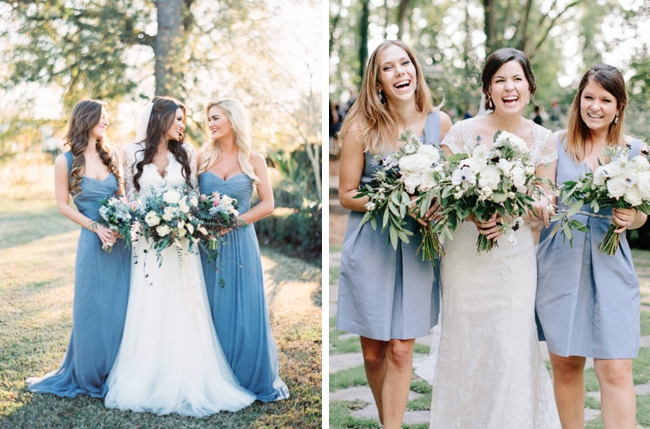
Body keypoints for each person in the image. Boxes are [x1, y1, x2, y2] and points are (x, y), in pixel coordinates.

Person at [428, 48, 561, 428]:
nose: (509, 87)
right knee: (468, 345)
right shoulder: (462, 133)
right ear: (488, 87)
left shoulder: (544, 139)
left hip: (513, 260)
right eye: (500, 80)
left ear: (529, 87)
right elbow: (443, 189)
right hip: (465, 256)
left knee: (508, 345)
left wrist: (509, 214)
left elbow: (543, 194)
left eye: (517, 79)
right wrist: (474, 213)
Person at [104, 96, 255, 416]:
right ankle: (148, 374)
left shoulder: (186, 153)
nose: (183, 126)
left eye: (183, 120)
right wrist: (146, 215)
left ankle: (188, 373)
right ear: (160, 120)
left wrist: (179, 217)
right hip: (148, 242)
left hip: (182, 242)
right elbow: (129, 198)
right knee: (149, 304)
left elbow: (192, 196)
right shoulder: (130, 153)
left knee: (185, 305)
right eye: (177, 120)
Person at [337, 40, 452, 429]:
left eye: (405, 63)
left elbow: (449, 190)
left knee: (401, 350)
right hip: (372, 243)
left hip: (418, 246)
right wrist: (394, 200)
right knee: (374, 353)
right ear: (378, 81)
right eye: (389, 68)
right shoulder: (360, 128)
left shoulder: (441, 124)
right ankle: (389, 418)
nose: (400, 72)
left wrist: (436, 206)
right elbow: (347, 194)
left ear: (416, 71)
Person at [536, 64, 647, 429]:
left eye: (605, 99)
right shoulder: (555, 143)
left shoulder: (635, 151)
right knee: (566, 364)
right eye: (588, 97)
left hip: (611, 262)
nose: (595, 106)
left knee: (615, 367)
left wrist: (630, 218)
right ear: (578, 100)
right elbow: (540, 196)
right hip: (560, 261)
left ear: (619, 106)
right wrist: (541, 204)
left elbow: (643, 215)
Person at [26, 100, 131, 398]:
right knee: (91, 307)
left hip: (120, 240)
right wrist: (95, 227)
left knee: (121, 305)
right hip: (92, 240)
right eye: (102, 117)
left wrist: (122, 219)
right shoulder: (66, 161)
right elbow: (62, 205)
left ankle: (117, 369)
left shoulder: (112, 156)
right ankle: (89, 371)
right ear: (86, 119)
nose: (107, 122)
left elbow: (121, 196)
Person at [196, 98, 289, 402]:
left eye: (216, 118)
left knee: (243, 306)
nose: (210, 124)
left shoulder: (254, 159)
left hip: (240, 241)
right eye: (208, 119)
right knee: (209, 304)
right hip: (206, 243)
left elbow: (268, 204)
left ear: (233, 120)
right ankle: (213, 373)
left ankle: (244, 372)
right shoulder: (201, 158)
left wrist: (235, 222)